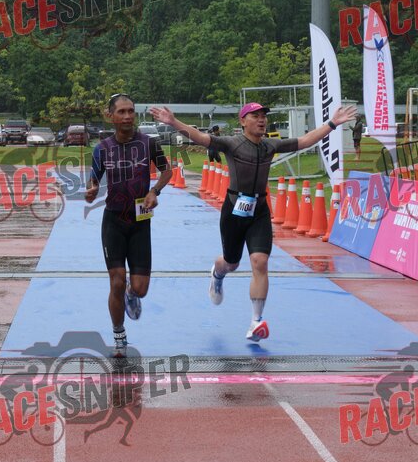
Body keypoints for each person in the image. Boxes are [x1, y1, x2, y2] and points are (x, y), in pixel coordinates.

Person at [150, 101, 357, 343]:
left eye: (263, 116)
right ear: (243, 121)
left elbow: (304, 141)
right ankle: (217, 274)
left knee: (260, 261)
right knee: (231, 263)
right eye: (255, 116)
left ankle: (256, 322)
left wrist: (332, 123)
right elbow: (200, 138)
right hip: (234, 211)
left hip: (259, 210)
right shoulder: (231, 143)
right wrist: (173, 122)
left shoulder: (270, 145)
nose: (261, 120)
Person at [85, 94, 172, 355]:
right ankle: (119, 335)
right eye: (121, 112)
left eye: (131, 111)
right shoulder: (102, 149)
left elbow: (167, 171)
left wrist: (154, 191)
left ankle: (132, 296)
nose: (127, 116)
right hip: (113, 220)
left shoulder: (148, 143)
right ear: (110, 116)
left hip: (140, 221)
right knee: (117, 281)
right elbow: (94, 180)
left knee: (140, 289)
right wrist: (91, 190)